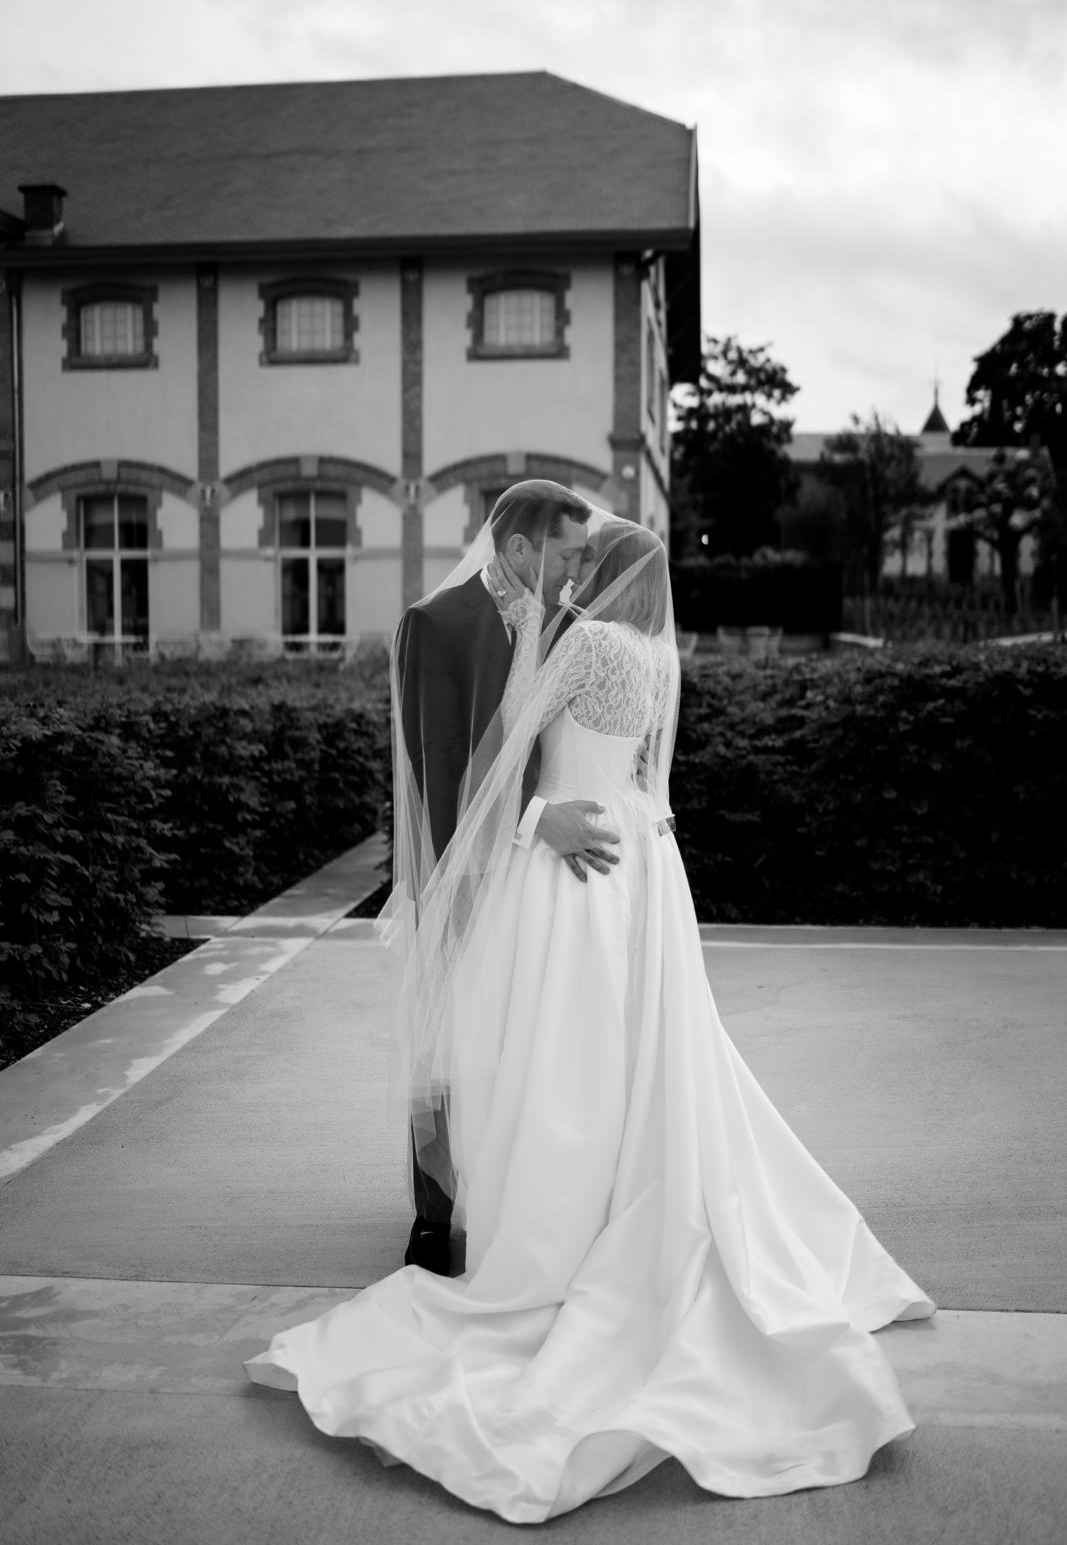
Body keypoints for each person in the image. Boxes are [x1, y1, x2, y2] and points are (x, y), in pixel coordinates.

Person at [245, 504, 934, 1524]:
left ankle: (549, 1221)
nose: (571, 568)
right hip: (644, 862)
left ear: (603, 572)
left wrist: (536, 814)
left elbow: (498, 761)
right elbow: (642, 776)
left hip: (569, 869)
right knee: (643, 1053)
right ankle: (618, 1206)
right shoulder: (657, 656)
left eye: (585, 557)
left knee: (554, 1053)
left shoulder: (582, 644)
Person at [390, 480, 622, 1275]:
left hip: (542, 881)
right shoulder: (435, 624)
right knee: (449, 1038)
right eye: (567, 554)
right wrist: (534, 822)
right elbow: (439, 767)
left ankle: (518, 1196)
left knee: (524, 1039)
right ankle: (434, 1215)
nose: (578, 571)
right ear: (520, 547)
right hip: (462, 867)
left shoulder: (572, 627)